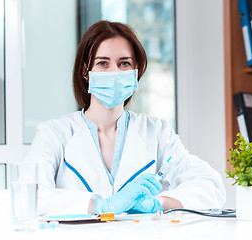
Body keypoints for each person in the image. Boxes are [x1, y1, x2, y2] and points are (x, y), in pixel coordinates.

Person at [25, 20, 226, 216]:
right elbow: (29, 195)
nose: (114, 72)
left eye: (124, 63)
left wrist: (159, 202)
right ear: (86, 71)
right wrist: (101, 205)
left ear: (135, 71)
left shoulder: (157, 132)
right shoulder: (54, 134)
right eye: (103, 63)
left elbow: (210, 186)